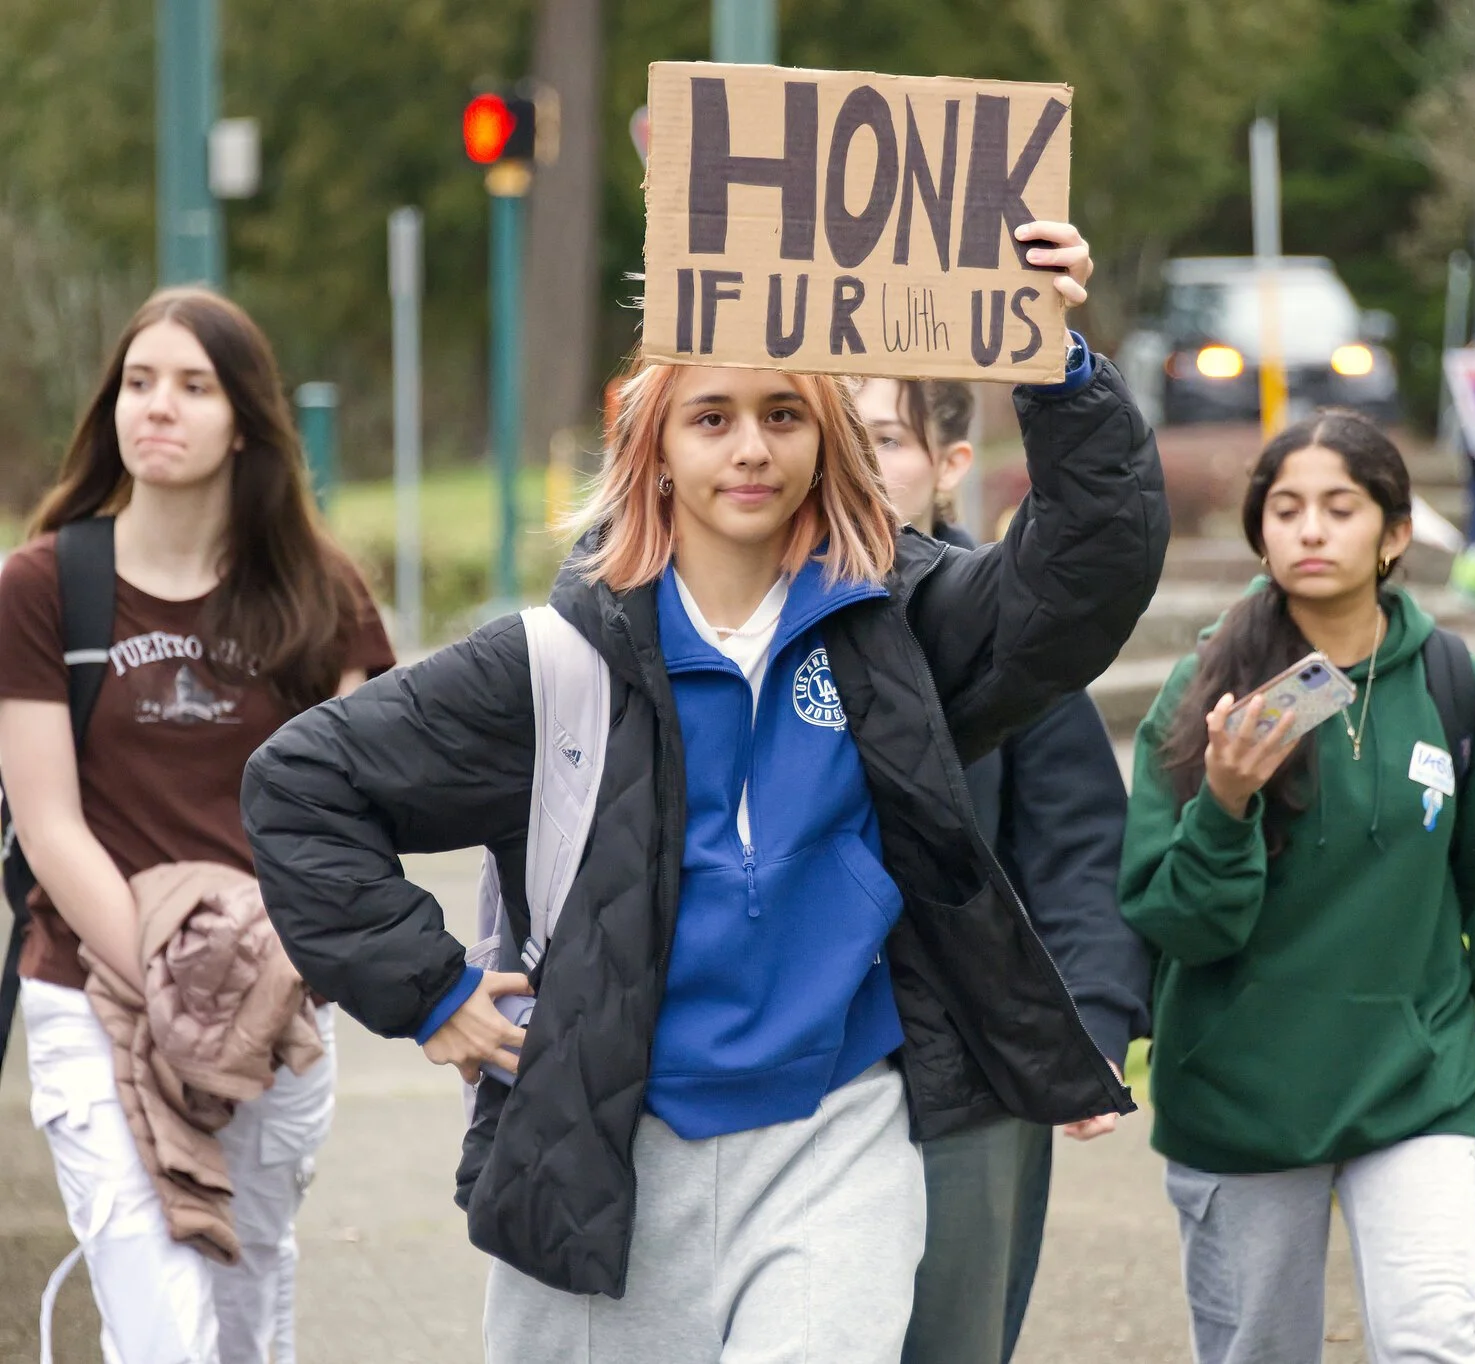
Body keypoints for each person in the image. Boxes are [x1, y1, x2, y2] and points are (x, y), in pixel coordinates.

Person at [240, 222, 1170, 1362]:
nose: (750, 448)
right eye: (712, 415)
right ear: (656, 443)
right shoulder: (550, 662)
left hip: (836, 1145)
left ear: (823, 437)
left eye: (783, 414)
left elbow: (1088, 572)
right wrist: (429, 991)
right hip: (606, 1160)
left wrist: (1053, 356)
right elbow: (302, 783)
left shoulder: (898, 624)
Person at [1120, 409, 1475, 1364]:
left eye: (1339, 508)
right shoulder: (1203, 700)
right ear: (1261, 532)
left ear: (1395, 534)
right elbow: (1177, 926)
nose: (1310, 530)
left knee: (1436, 1343)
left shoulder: (1459, 691)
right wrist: (1224, 803)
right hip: (1240, 1107)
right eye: (1287, 509)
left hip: (1414, 1089)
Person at [0, 288, 395, 1361]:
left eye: (191, 385)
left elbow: (354, 812)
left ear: (244, 420)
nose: (157, 407)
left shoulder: (321, 592)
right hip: (94, 991)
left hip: (276, 1006)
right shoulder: (44, 587)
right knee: (159, 1316)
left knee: (238, 1313)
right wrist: (165, 988)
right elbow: (49, 821)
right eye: (138, 381)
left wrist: (257, 981)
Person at [853, 376, 1153, 1364]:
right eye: (833, 434)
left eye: (887, 438)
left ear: (947, 465)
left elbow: (1073, 842)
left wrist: (1092, 1017)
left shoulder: (1002, 633)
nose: (857, 461)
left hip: (971, 1069)